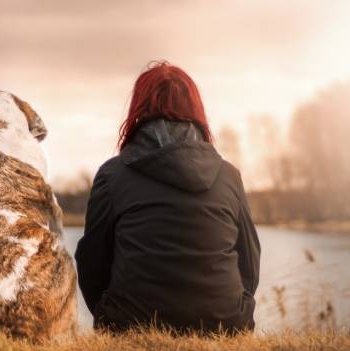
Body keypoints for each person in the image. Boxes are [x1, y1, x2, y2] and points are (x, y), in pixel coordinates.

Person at [75, 61, 260, 334]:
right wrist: (235, 310)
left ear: (138, 110)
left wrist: (109, 314)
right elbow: (250, 262)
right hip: (224, 324)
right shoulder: (228, 176)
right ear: (196, 110)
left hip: (130, 324)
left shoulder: (112, 175)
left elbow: (91, 263)